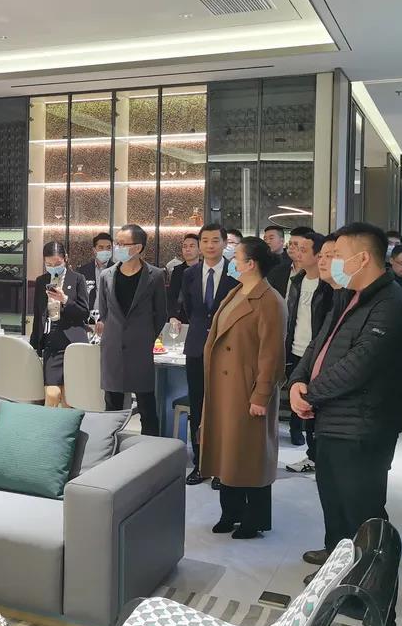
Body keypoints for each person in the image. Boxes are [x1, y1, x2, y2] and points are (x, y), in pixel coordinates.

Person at [289, 222, 402, 626]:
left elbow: (359, 366)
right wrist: (297, 383)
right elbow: (317, 347)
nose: (332, 261)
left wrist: (310, 393)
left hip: (362, 429)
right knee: (341, 525)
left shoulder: (392, 304)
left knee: (368, 531)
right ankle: (348, 599)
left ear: (362, 258)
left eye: (338, 253)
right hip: (332, 425)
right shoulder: (349, 296)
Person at [199, 236, 285, 539]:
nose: (231, 261)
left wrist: (261, 394)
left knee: (250, 454)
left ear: (250, 264)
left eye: (236, 257)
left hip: (247, 388)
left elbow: (272, 354)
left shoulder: (270, 300)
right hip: (225, 387)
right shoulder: (236, 291)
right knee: (229, 453)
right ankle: (230, 512)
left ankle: (255, 518)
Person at [171, 223, 238, 485]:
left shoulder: (235, 271)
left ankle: (222, 465)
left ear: (224, 243)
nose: (210, 245)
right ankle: (201, 463)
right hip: (197, 346)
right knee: (198, 405)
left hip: (226, 347)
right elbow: (189, 308)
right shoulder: (190, 274)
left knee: (223, 407)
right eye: (205, 241)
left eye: (215, 241)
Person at [96, 224, 168, 435]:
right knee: (112, 407)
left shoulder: (155, 275)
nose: (117, 248)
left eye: (122, 244)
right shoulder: (107, 275)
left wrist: (145, 337)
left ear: (137, 247)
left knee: (147, 407)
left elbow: (160, 314)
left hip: (140, 348)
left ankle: (150, 449)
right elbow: (104, 312)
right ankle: (109, 447)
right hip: (112, 348)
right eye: (116, 243)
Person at [286, 232, 341, 473]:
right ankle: (312, 454)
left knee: (317, 407)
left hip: (318, 352)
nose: (297, 253)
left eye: (303, 249)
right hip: (297, 349)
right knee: (302, 404)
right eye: (296, 248)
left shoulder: (329, 287)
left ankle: (318, 456)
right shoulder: (298, 281)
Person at [29, 242, 90, 407]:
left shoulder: (77, 279)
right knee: (52, 393)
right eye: (48, 264)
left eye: (57, 263)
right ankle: (49, 423)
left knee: (70, 396)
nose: (53, 267)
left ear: (65, 259)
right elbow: (38, 314)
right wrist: (35, 344)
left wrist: (65, 299)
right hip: (52, 340)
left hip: (73, 341)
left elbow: (84, 312)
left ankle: (68, 422)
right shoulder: (41, 281)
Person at [266, 224, 307, 297]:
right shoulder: (277, 271)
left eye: (296, 244)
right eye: (290, 243)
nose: (291, 247)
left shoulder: (318, 273)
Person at [167, 233, 200, 320]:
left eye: (192, 246)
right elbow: (172, 296)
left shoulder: (205, 269)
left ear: (200, 250)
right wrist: (172, 316)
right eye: (185, 246)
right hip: (181, 316)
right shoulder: (177, 270)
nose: (187, 249)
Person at [80, 232, 113, 309]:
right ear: (94, 250)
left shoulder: (117, 270)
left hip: (110, 314)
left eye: (108, 248)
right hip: (88, 313)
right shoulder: (83, 271)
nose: (105, 250)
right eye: (101, 247)